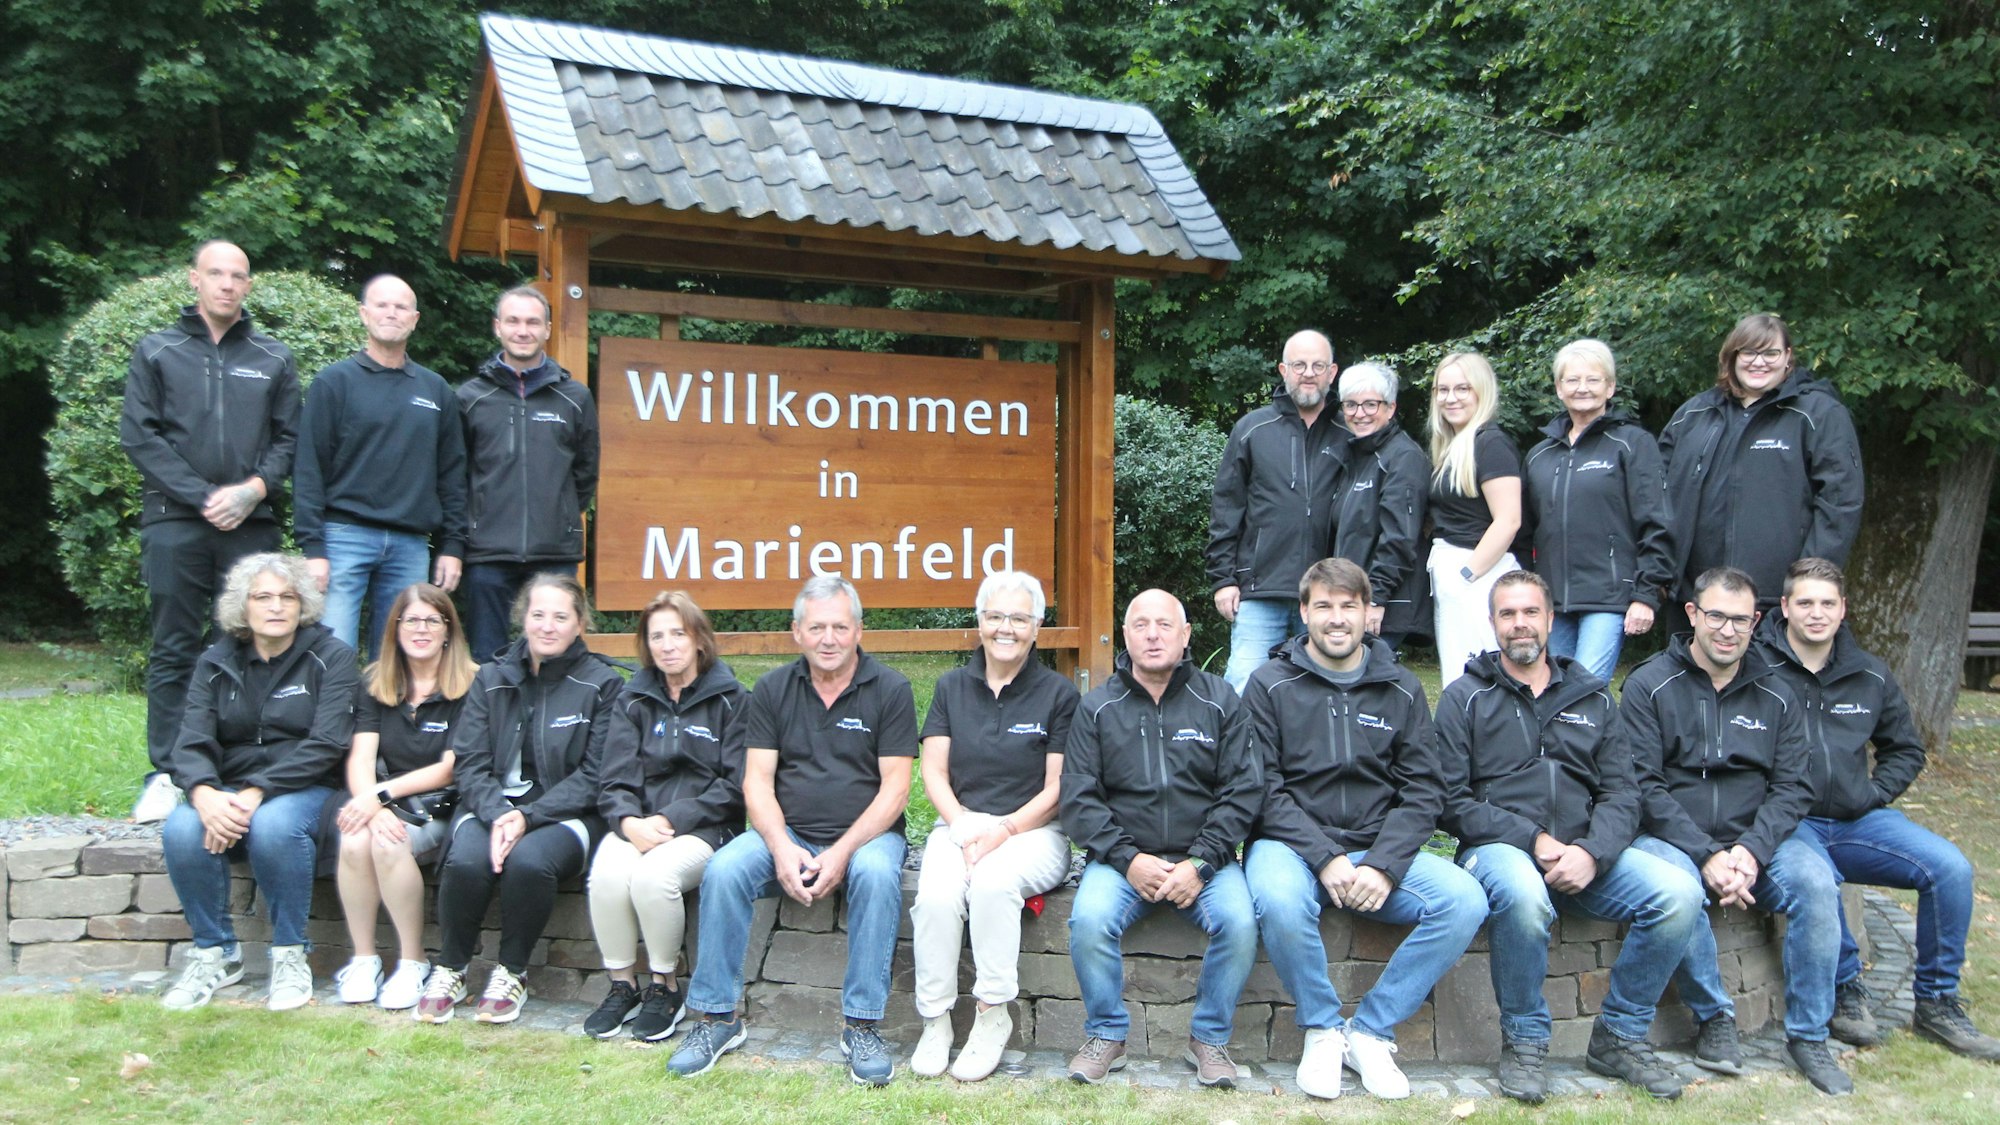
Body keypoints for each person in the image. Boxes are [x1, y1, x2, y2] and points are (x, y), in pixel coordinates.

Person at [1439, 570, 1702, 1103]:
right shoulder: (1464, 697)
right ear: (1492, 623)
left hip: (1585, 855)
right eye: (1507, 614)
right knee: (1523, 893)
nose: (1520, 624)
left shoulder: (1593, 699)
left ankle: (1621, 1036)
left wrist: (1592, 851)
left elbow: (1624, 794)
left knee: (1680, 893)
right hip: (1498, 852)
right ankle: (1526, 1040)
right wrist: (1532, 838)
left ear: (1551, 619)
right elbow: (1448, 800)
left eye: (1530, 612)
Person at [1245, 558, 1485, 1100]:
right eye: (1324, 605)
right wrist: (1324, 856)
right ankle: (1323, 1030)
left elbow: (1425, 789)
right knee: (1279, 899)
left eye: (1348, 605)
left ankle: (1370, 1033)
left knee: (1464, 900)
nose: (1336, 618)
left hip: (1378, 847)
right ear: (1304, 611)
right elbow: (1261, 788)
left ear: (1367, 613)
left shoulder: (1399, 688)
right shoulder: (1268, 685)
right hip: (1292, 847)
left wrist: (1384, 862)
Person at [668, 577, 918, 1086]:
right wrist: (781, 848)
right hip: (790, 831)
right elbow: (756, 780)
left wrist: (844, 851)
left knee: (874, 875)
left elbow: (895, 789)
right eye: (817, 627)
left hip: (869, 837)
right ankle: (717, 1018)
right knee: (726, 868)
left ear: (859, 631)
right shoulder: (773, 689)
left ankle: (861, 1026)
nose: (829, 638)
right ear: (796, 633)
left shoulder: (891, 689)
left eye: (840, 627)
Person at [1754, 558, 2000, 1061]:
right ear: (1784, 607)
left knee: (1950, 868)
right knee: (1818, 877)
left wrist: (1870, 795)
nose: (1816, 614)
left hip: (1855, 819)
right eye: (1805, 603)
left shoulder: (1869, 673)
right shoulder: (1757, 668)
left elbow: (1905, 749)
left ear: (1843, 609)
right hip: (1786, 822)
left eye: (1827, 603)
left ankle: (1936, 1002)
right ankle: (1846, 990)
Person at [1619, 567, 1847, 1094]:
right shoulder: (1650, 685)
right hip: (1673, 836)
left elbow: (1793, 786)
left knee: (1817, 884)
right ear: (1694, 615)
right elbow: (1643, 786)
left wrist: (1751, 849)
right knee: (1674, 886)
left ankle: (1810, 1036)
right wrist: (1704, 854)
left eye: (1740, 620)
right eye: (1716, 616)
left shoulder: (1779, 691)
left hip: (1759, 841)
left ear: (1757, 622)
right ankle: (1714, 1018)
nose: (1728, 630)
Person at [121, 240, 301, 823]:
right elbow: (140, 437)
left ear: (249, 286)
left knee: (255, 645)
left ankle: (242, 764)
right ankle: (167, 772)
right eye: (216, 273)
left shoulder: (273, 356)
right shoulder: (158, 351)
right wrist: (203, 498)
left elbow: (289, 440)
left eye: (238, 275)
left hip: (253, 524)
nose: (227, 284)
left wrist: (252, 491)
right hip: (176, 522)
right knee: (174, 647)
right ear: (194, 279)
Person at [1060, 589, 1261, 1088]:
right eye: (1141, 625)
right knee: (1088, 921)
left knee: (1238, 922)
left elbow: (1243, 791)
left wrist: (1203, 863)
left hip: (1206, 862)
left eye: (1164, 625)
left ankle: (1209, 1038)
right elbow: (1079, 800)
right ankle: (1107, 1034)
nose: (1152, 634)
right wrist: (1129, 861)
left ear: (1186, 634)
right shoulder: (1097, 707)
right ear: (1125, 635)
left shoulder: (1218, 700)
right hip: (1122, 863)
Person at [415, 573, 623, 1026]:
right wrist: (499, 813)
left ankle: (512, 972)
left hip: (568, 813)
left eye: (560, 616)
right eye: (538, 614)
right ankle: (451, 967)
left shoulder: (603, 684)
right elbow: (469, 762)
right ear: (523, 619)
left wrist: (526, 817)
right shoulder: (490, 678)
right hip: (492, 806)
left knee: (529, 862)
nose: (548, 626)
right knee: (466, 860)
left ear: (579, 624)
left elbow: (595, 776)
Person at [159, 552, 355, 1012]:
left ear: (302, 604)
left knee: (273, 825)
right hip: (227, 785)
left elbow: (328, 743)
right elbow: (190, 739)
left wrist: (258, 789)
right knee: (182, 827)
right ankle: (215, 953)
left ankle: (290, 953)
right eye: (262, 597)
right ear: (242, 606)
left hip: (308, 785)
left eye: (287, 596)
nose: (276, 606)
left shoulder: (332, 657)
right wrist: (203, 792)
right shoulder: (216, 660)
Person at [909, 571, 1078, 1082]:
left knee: (992, 883)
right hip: (961, 825)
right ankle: (935, 1020)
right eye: (996, 616)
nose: (1006, 628)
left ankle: (991, 1013)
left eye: (1019, 618)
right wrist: (960, 825)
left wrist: (1003, 832)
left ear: (1037, 626)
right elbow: (933, 771)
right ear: (979, 620)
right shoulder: (950, 687)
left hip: (1034, 833)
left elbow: (1056, 791)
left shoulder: (1057, 694)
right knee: (935, 896)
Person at [583, 591, 745, 1042]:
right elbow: (613, 779)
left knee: (654, 878)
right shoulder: (633, 698)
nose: (668, 644)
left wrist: (672, 819)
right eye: (657, 636)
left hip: (707, 827)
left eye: (678, 633)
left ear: (698, 639)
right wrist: (628, 821)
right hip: (639, 823)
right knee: (609, 874)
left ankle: (664, 987)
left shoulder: (732, 699)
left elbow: (735, 786)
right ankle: (622, 985)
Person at [294, 276, 467, 659]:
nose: (392, 313)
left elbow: (453, 475)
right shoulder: (333, 383)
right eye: (382, 305)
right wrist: (313, 548)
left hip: (410, 543)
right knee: (331, 651)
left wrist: (453, 545)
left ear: (415, 318)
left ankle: (384, 722)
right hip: (343, 537)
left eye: (401, 306)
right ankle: (334, 722)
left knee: (402, 657)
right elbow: (308, 470)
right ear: (364, 314)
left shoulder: (435, 390)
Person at [329, 583, 476, 1010]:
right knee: (354, 838)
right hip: (387, 800)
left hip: (444, 802)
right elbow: (360, 759)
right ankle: (364, 958)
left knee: (387, 844)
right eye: (411, 620)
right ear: (395, 628)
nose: (421, 629)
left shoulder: (472, 683)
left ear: (449, 630)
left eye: (433, 620)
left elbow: (452, 765)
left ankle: (413, 961)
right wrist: (371, 807)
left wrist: (380, 797)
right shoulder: (376, 682)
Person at [1659, 314, 1863, 610]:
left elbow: (1841, 502)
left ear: (1788, 357)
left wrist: (1808, 582)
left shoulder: (1819, 414)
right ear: (1732, 356)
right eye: (1749, 352)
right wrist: (1661, 573)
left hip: (1774, 598)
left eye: (1770, 353)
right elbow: (1655, 494)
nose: (1759, 362)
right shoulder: (1694, 414)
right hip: (1694, 597)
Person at [457, 286, 599, 659]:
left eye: (533, 322)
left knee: (558, 654)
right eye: (514, 321)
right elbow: (456, 473)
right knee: (488, 659)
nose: (523, 330)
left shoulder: (575, 397)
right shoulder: (471, 398)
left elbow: (585, 471)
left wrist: (560, 511)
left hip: (553, 549)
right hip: (487, 549)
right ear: (497, 327)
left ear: (547, 329)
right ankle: (493, 719)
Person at [1520, 340, 1672, 681]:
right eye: (1572, 380)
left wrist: (1646, 595)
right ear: (1559, 388)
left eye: (1593, 379)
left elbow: (1657, 523)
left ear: (1610, 386)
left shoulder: (1632, 443)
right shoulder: (1539, 455)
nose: (1582, 388)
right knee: (1548, 688)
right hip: (1552, 602)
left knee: (1585, 688)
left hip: (1609, 598)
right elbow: (1524, 532)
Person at [1206, 330, 1348, 690]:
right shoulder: (1252, 429)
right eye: (1299, 365)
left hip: (1328, 591)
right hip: (1259, 587)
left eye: (1318, 365)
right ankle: (1239, 749)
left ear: (1332, 373)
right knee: (1243, 685)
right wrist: (1223, 579)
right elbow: (1226, 506)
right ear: (1283, 370)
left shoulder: (1348, 432)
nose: (1309, 373)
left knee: (1325, 688)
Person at [1426, 352, 1522, 689]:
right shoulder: (1452, 446)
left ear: (1481, 391)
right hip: (1456, 573)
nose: (1450, 398)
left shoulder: (1491, 443)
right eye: (1443, 389)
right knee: (1458, 677)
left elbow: (1508, 520)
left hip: (1480, 575)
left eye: (1462, 388)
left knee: (1483, 678)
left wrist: (1466, 574)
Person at [1330, 363, 1429, 651]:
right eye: (1351, 404)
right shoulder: (1359, 457)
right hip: (1353, 597)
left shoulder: (1403, 457)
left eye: (1370, 404)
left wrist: (1375, 597)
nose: (1359, 414)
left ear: (1390, 407)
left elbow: (1399, 537)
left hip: (1382, 603)